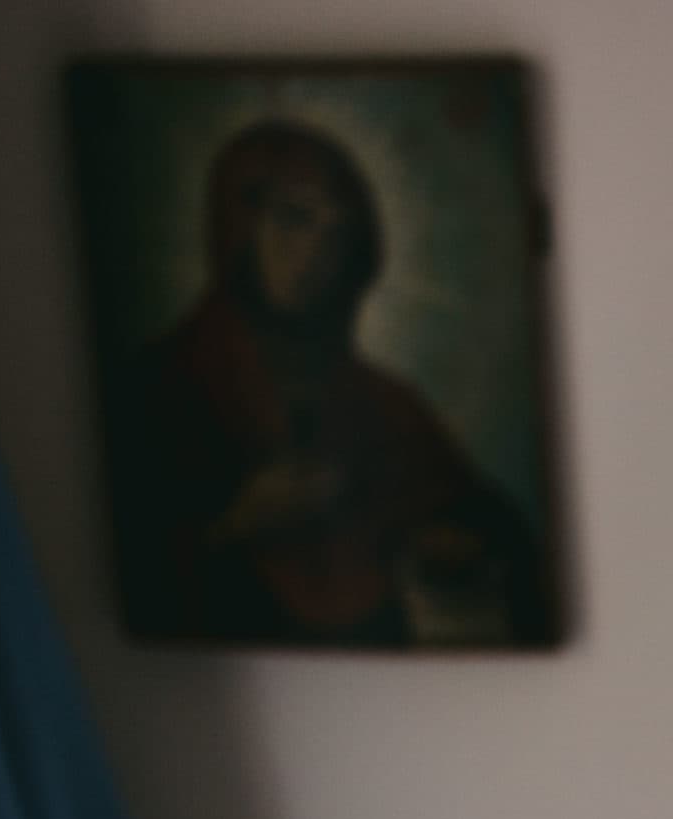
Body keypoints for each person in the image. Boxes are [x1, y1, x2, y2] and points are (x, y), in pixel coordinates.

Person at [106, 120, 554, 647]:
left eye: (336, 231)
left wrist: (453, 546)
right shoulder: (158, 388)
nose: (316, 250)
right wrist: (235, 524)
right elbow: (140, 576)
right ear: (239, 227)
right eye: (294, 219)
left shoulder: (388, 406)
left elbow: (497, 534)